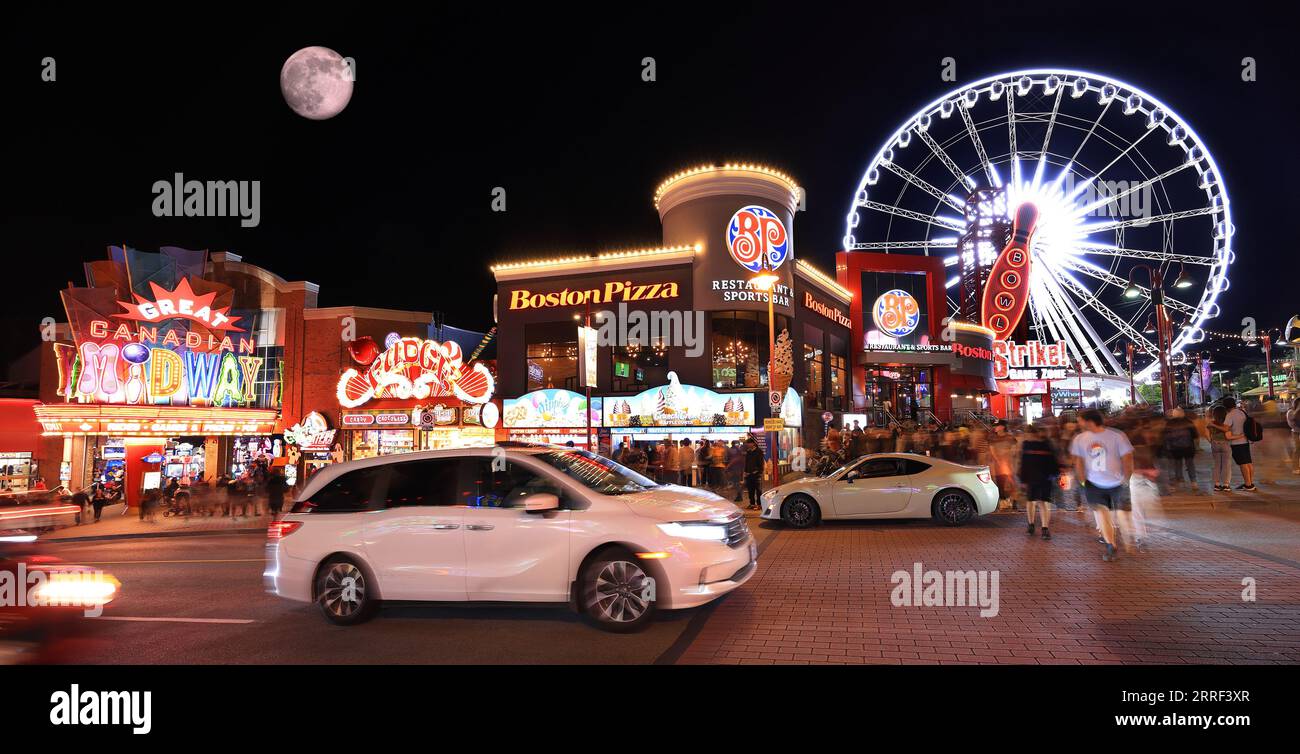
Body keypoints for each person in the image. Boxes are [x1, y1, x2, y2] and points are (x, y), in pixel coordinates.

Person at [1070, 409, 1134, 562]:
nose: (1078, 423)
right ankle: (1114, 542)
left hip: (1097, 482)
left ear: (1089, 421)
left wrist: (1083, 480)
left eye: (1080, 420)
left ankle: (1111, 543)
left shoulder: (1080, 439)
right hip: (1115, 482)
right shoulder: (1117, 435)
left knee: (1103, 514)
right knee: (1113, 513)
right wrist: (1126, 478)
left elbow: (1078, 462)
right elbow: (1128, 458)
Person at [1019, 424, 1058, 539]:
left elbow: (1053, 462)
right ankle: (1033, 525)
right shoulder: (1027, 445)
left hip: (1043, 478)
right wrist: (1023, 478)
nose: (1028, 436)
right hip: (1036, 478)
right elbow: (1023, 462)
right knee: (1034, 502)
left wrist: (1054, 474)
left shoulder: (1046, 445)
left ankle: (1043, 528)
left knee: (1041, 502)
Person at [1222, 397, 1257, 491]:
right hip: (1245, 441)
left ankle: (1248, 485)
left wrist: (1213, 425)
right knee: (1248, 463)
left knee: (1243, 464)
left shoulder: (1230, 415)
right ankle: (1250, 482)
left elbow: (1225, 428)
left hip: (1236, 442)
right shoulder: (1242, 412)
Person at [1162, 407, 1199, 492]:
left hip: (1175, 449)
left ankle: (1178, 481)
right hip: (1188, 448)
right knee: (1190, 465)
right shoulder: (1188, 422)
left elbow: (1165, 437)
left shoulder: (1169, 423)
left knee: (1177, 465)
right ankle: (1193, 482)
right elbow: (1195, 435)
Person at [988, 421, 1017, 510]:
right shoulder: (993, 438)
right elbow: (992, 451)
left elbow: (1014, 449)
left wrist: (1008, 455)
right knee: (1000, 483)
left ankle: (1014, 502)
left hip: (1009, 464)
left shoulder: (1010, 437)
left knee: (1012, 483)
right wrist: (999, 460)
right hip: (999, 465)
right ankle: (1003, 502)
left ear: (1002, 427)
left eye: (997, 426)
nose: (995, 428)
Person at [1206, 404, 1234, 491]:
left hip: (1215, 444)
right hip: (1225, 443)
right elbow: (1227, 431)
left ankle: (1217, 484)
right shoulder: (1226, 422)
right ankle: (1226, 484)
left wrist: (1211, 440)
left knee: (1217, 465)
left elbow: (1206, 433)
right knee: (1227, 464)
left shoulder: (1211, 423)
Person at [743, 438, 765, 510]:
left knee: (758, 490)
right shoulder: (748, 452)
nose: (748, 445)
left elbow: (761, 463)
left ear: (753, 443)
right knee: (750, 489)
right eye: (747, 444)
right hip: (749, 474)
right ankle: (752, 503)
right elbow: (746, 463)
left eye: (749, 443)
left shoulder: (759, 451)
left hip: (756, 474)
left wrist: (758, 471)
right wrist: (745, 471)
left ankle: (759, 504)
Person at [1288, 402, 1300, 475]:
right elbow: (1293, 423)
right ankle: (1295, 468)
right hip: (1296, 433)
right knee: (1297, 449)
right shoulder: (1291, 412)